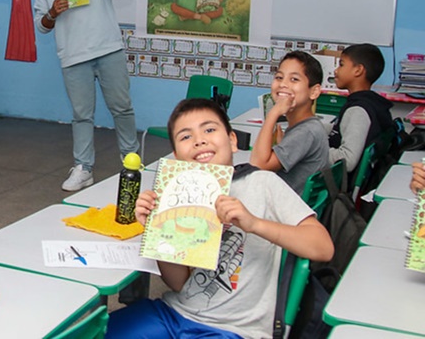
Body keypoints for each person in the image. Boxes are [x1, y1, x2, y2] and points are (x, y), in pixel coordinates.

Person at [107, 98, 334, 339]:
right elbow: (178, 284)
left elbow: (323, 247)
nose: (199, 140)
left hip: (234, 330)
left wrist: (255, 224)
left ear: (232, 140)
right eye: (185, 137)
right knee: (99, 333)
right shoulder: (178, 193)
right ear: (175, 155)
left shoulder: (262, 183)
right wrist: (157, 230)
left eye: (210, 129)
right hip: (175, 313)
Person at [33, 0, 138, 191]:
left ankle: (131, 160)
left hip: (108, 47)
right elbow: (41, 27)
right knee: (81, 116)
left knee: (122, 108)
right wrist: (52, 13)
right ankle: (83, 168)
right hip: (73, 55)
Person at [251, 50, 329, 194]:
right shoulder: (307, 125)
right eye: (279, 77)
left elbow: (257, 165)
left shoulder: (306, 132)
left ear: (314, 92)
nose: (283, 84)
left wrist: (273, 113)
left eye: (294, 79)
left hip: (283, 211)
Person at [328, 43, 393, 172]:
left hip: (333, 184)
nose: (336, 71)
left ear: (358, 70)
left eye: (341, 64)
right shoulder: (370, 102)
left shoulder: (358, 111)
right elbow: (341, 128)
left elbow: (347, 160)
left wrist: (311, 150)